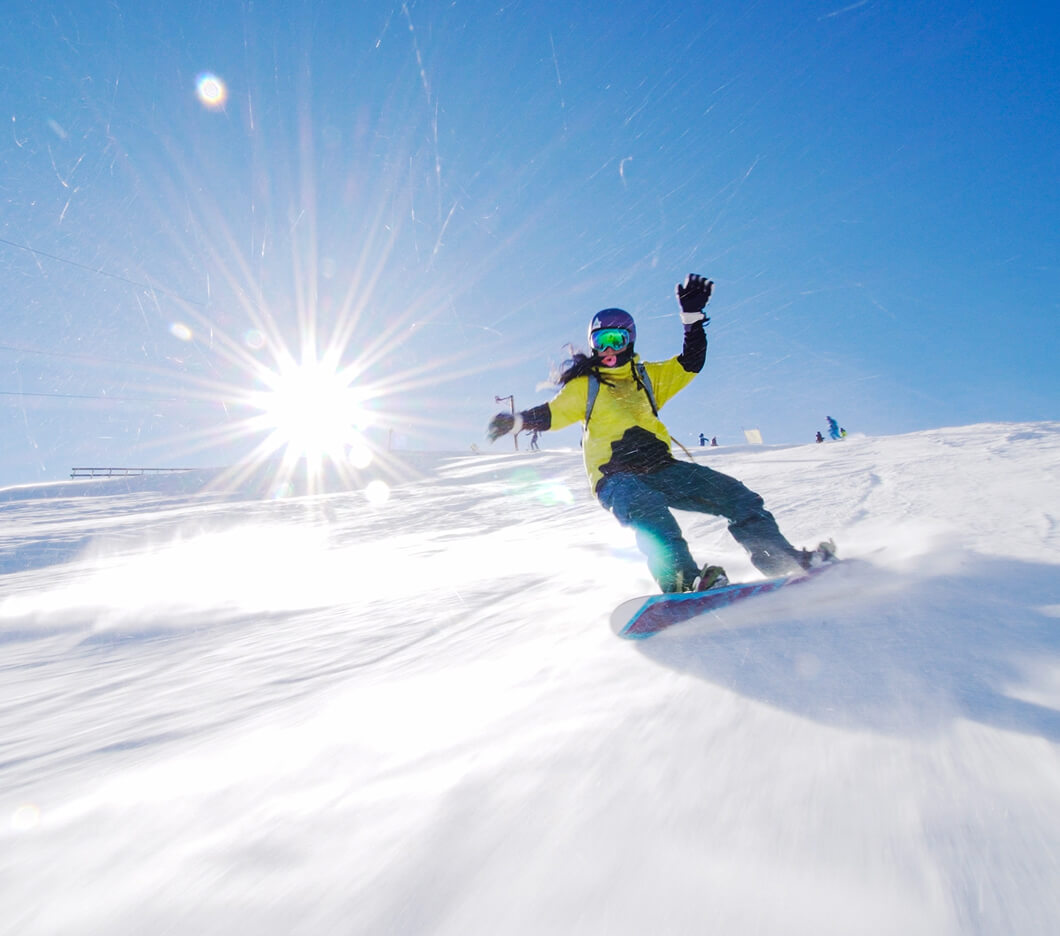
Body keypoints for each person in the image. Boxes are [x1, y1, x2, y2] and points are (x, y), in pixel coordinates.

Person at [487, 273, 835, 593]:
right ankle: (683, 581)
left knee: (739, 499)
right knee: (651, 514)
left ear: (629, 340)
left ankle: (784, 563)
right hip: (616, 477)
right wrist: (515, 421)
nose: (608, 349)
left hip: (663, 469)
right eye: (601, 341)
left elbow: (691, 362)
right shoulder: (586, 386)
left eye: (616, 339)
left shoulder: (649, 379)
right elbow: (552, 414)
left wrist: (692, 319)